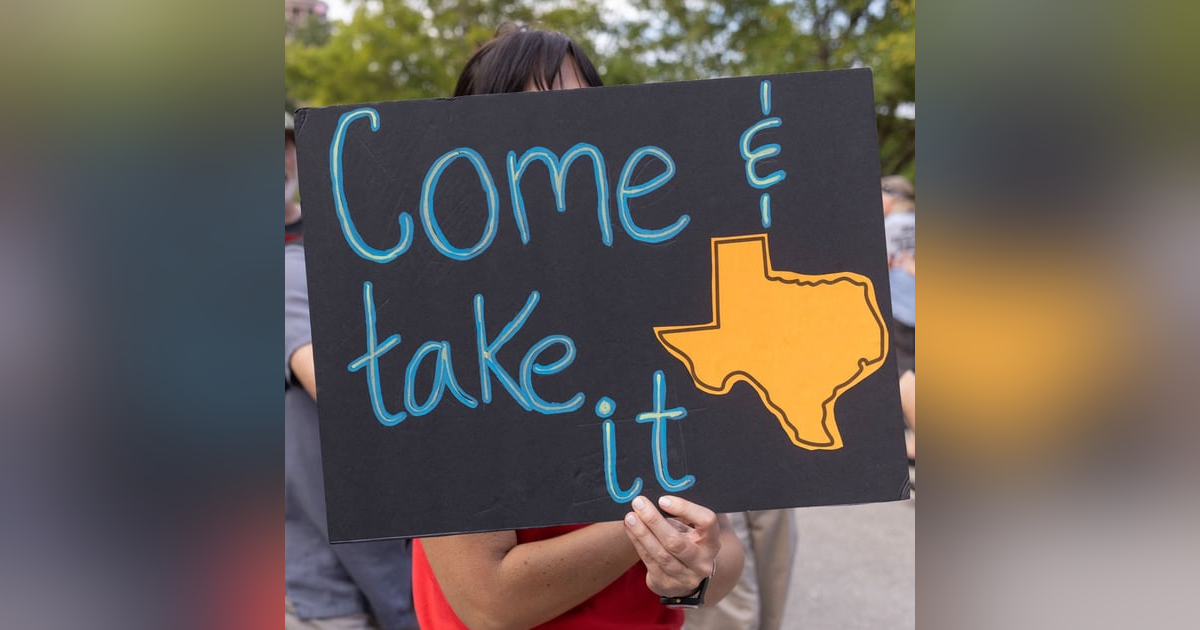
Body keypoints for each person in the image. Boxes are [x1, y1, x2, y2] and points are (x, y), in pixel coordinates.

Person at [411, 24, 746, 629]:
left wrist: (693, 572)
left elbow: (720, 552)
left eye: (584, 109)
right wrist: (648, 525)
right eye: (527, 117)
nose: (562, 137)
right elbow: (488, 602)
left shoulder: (661, 308)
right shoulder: (439, 333)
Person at [286, 111, 419, 630]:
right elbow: (351, 396)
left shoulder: (346, 235)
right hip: (329, 585)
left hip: (398, 557)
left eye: (281, 145)